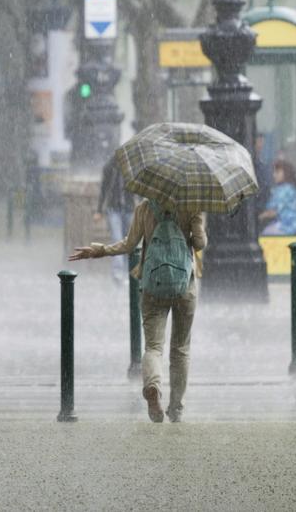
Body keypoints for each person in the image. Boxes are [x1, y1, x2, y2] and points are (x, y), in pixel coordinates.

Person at [69, 199, 206, 423]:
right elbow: (200, 243)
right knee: (180, 349)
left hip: (153, 285)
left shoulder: (145, 207)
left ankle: (152, 386)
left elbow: (129, 244)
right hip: (184, 286)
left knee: (153, 347)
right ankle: (176, 408)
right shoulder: (192, 204)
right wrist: (193, 228)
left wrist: (100, 251)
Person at [95, 159, 135, 283]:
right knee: (117, 239)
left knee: (129, 241)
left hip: (128, 209)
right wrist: (99, 210)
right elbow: (103, 189)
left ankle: (128, 272)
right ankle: (118, 273)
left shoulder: (132, 167)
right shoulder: (109, 167)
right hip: (114, 209)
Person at [259, 159, 296, 235]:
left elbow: (273, 212)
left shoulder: (284, 191)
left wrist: (260, 217)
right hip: (291, 226)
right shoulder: (290, 189)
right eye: (273, 172)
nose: (274, 175)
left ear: (286, 173)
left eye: (277, 172)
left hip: (285, 227)